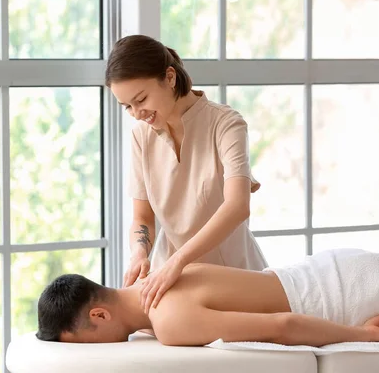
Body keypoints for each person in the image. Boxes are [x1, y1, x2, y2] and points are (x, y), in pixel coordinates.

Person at [105, 34, 267, 313]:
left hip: (235, 278)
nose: (136, 113)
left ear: (169, 78)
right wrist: (139, 252)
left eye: (141, 99)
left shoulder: (226, 124)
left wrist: (177, 262)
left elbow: (237, 206)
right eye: (127, 106)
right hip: (171, 284)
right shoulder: (141, 137)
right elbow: (143, 218)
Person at [35, 248, 379, 347]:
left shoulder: (169, 323)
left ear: (100, 316)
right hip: (336, 267)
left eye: (81, 342)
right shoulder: (156, 275)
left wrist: (365, 335)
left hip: (345, 297)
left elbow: (283, 326)